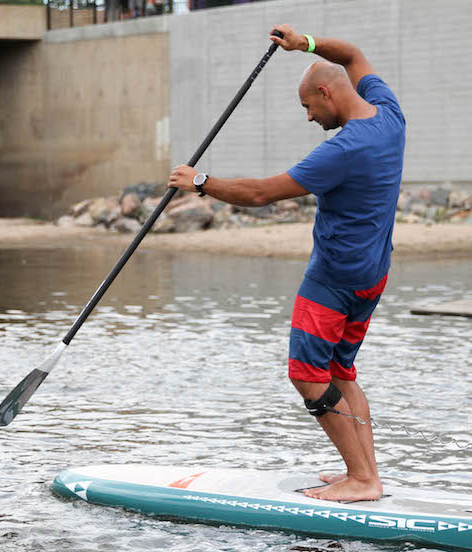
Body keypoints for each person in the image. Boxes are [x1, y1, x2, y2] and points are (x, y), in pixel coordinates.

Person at [168, 24, 406, 502]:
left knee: (306, 374)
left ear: (325, 93)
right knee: (341, 372)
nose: (309, 117)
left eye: (308, 107)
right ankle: (364, 474)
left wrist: (201, 181)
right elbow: (354, 54)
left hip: (335, 278)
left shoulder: (342, 150)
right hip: (372, 275)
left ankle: (361, 479)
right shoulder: (390, 116)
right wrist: (307, 45)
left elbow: (260, 194)